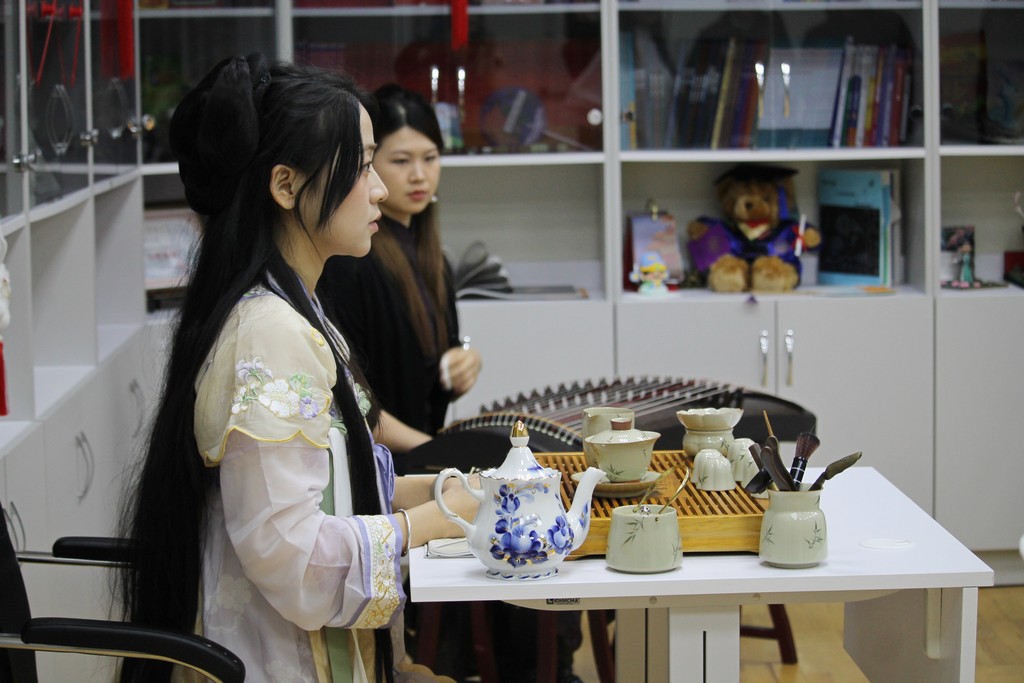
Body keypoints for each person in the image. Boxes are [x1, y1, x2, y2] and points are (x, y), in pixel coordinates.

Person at [116, 54, 479, 683]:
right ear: (285, 186)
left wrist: (456, 488)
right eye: (361, 166)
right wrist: (434, 519)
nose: (380, 189)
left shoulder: (295, 310)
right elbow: (297, 561)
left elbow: (335, 483)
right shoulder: (269, 333)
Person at [316, 84, 481, 458]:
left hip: (418, 453)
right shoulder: (351, 260)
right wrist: (433, 451)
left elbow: (434, 368)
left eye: (430, 158)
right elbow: (347, 396)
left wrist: (463, 363)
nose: (419, 175)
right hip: (381, 461)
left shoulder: (433, 258)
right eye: (401, 161)